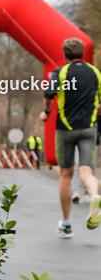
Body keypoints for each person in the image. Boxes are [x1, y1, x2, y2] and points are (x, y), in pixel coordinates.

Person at [42, 37, 101, 237]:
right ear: (83, 53)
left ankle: (66, 223)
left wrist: (47, 112)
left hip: (66, 129)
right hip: (89, 128)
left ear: (65, 54)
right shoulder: (95, 73)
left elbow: (49, 94)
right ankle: (95, 196)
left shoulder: (60, 73)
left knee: (66, 175)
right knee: (86, 172)